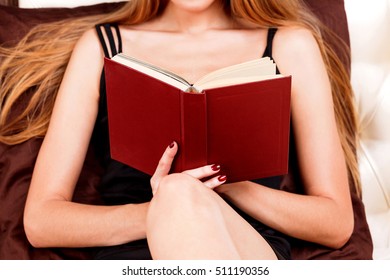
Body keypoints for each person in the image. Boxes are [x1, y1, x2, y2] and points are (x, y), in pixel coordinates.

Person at [0, 0, 360, 260]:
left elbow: (335, 223)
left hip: (242, 252)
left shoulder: (289, 44)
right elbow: (41, 220)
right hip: (135, 259)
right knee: (176, 194)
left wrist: (229, 185)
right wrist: (171, 204)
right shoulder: (102, 46)